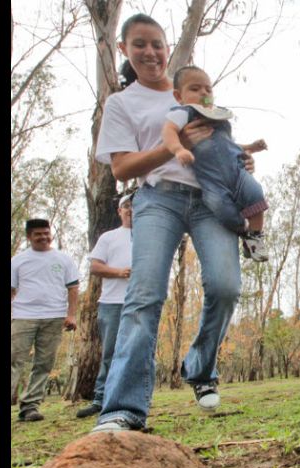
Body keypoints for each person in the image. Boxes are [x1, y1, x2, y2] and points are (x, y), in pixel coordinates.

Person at [91, 14, 253, 432]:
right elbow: (122, 169)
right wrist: (174, 148)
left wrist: (242, 160)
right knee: (144, 296)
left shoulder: (193, 94)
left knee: (225, 286)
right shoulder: (122, 103)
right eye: (140, 44)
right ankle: (122, 409)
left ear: (168, 49)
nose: (150, 52)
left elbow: (221, 148)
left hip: (210, 200)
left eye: (157, 44)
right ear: (124, 50)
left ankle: (200, 369)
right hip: (157, 199)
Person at [161, 65, 269, 262]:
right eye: (194, 89)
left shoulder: (219, 117)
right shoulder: (184, 113)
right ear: (178, 96)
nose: (203, 93)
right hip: (211, 179)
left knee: (255, 193)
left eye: (208, 89)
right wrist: (179, 149)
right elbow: (168, 131)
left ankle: (256, 237)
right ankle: (243, 231)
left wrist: (251, 147)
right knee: (221, 209)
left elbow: (227, 146)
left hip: (236, 171)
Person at [11, 219, 79, 422]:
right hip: (23, 316)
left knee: (44, 363)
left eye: (46, 233)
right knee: (15, 360)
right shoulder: (18, 261)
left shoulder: (64, 260)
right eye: (38, 234)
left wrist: (71, 314)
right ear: (29, 237)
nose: (43, 237)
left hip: (54, 316)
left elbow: (73, 288)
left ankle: (30, 406)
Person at [76, 194, 134, 418]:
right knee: (110, 352)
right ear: (119, 211)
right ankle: (100, 398)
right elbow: (95, 267)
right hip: (112, 303)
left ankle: (134, 398)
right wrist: (120, 272)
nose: (131, 210)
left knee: (138, 351)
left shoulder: (149, 236)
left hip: (140, 302)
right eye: (126, 206)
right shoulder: (108, 238)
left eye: (134, 206)